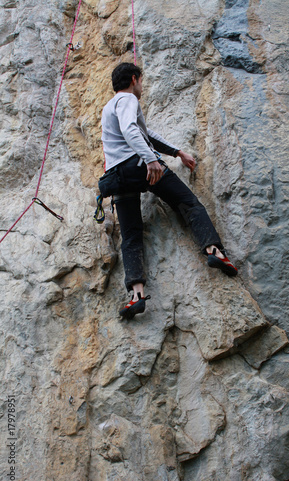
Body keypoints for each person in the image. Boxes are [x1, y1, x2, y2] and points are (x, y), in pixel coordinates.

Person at [99, 62, 237, 319]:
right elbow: (132, 130)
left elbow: (144, 132)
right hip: (141, 166)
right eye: (141, 81)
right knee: (188, 203)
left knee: (130, 235)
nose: (142, 86)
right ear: (134, 79)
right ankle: (215, 252)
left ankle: (136, 296)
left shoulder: (108, 108)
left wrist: (176, 152)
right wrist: (151, 160)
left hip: (118, 176)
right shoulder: (127, 99)